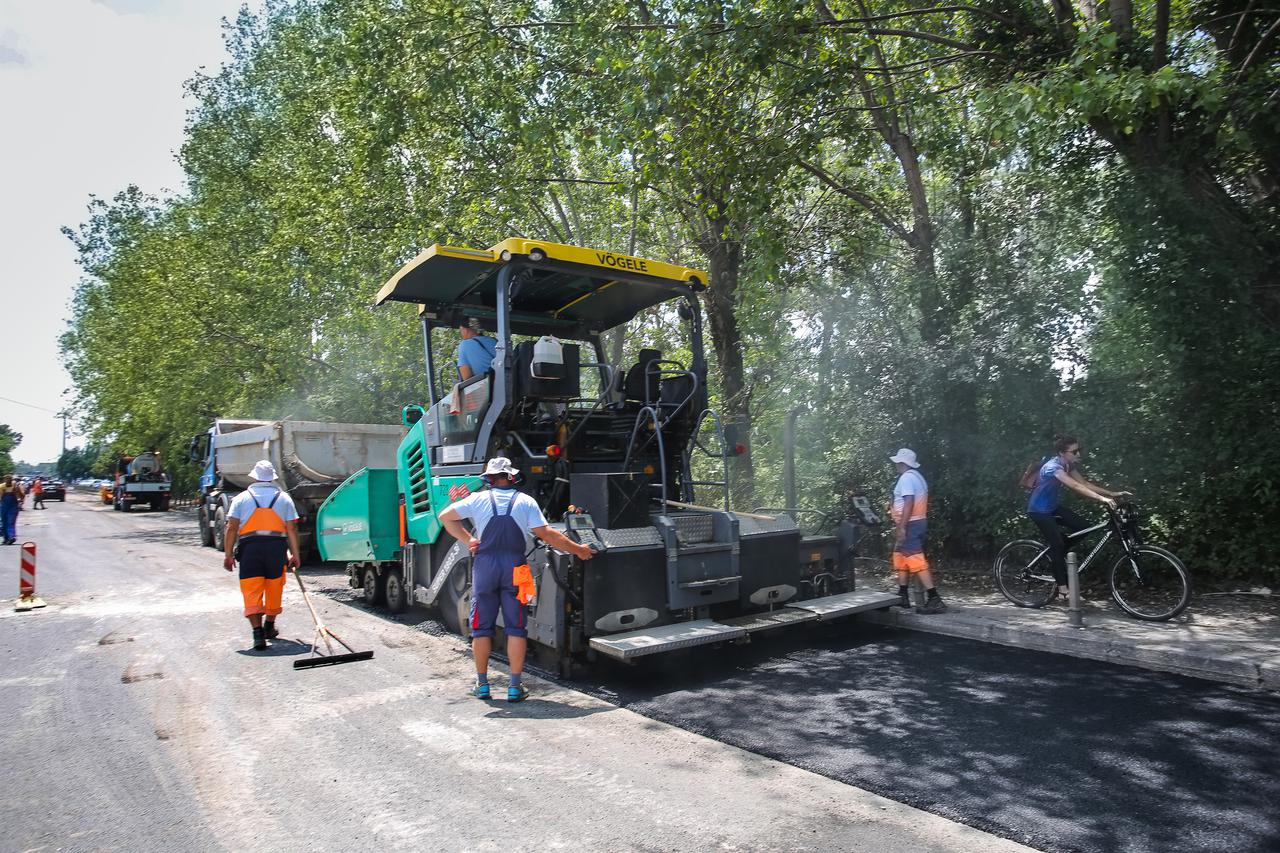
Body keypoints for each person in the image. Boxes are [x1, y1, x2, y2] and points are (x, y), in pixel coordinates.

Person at [438, 456, 594, 702]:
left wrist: (468, 540)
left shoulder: (477, 499)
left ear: (488, 478)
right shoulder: (525, 501)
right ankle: (514, 686)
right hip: (517, 567)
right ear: (510, 476)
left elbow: (445, 516)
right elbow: (548, 534)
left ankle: (482, 685)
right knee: (516, 628)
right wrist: (580, 550)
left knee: (480, 629)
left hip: (485, 567)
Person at [1026, 435, 1129, 601]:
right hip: (1038, 511)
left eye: (1079, 450)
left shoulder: (1068, 464)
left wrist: (1111, 494)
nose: (1078, 454)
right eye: (1074, 451)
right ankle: (1063, 590)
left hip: (1052, 508)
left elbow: (1085, 484)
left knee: (1084, 527)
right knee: (1058, 546)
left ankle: (1057, 553)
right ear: (1062, 452)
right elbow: (1074, 486)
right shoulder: (1053, 467)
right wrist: (1102, 499)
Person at [222, 460, 302, 651]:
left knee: (252, 590)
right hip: (276, 550)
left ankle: (258, 633)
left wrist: (227, 555)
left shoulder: (241, 499)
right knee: (275, 588)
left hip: (250, 550)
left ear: (254, 477)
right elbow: (292, 528)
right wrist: (295, 555)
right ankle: (269, 625)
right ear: (272, 478)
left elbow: (231, 528)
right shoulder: (284, 498)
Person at [889, 448, 946, 614]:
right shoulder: (918, 477)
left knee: (916, 560)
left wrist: (902, 527)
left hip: (911, 524)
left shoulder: (906, 478)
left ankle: (934, 598)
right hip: (918, 521)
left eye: (898, 462)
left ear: (903, 463)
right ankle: (903, 594)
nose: (896, 465)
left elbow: (909, 503)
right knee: (900, 556)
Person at [0, 474, 23, 545]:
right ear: (4, 480)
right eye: (6, 479)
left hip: (13, 507)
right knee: (4, 522)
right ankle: (6, 538)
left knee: (11, 522)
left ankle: (11, 537)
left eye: (9, 479)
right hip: (3, 506)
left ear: (11, 480)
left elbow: (22, 495)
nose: (8, 481)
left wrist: (19, 499)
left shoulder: (15, 486)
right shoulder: (1, 487)